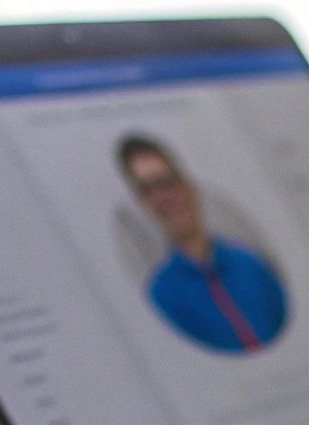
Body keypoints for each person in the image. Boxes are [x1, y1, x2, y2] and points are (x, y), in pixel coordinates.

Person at [117, 134, 288, 353]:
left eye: (166, 183)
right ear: (142, 203)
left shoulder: (252, 264)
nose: (164, 198)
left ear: (188, 186)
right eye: (148, 189)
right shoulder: (162, 293)